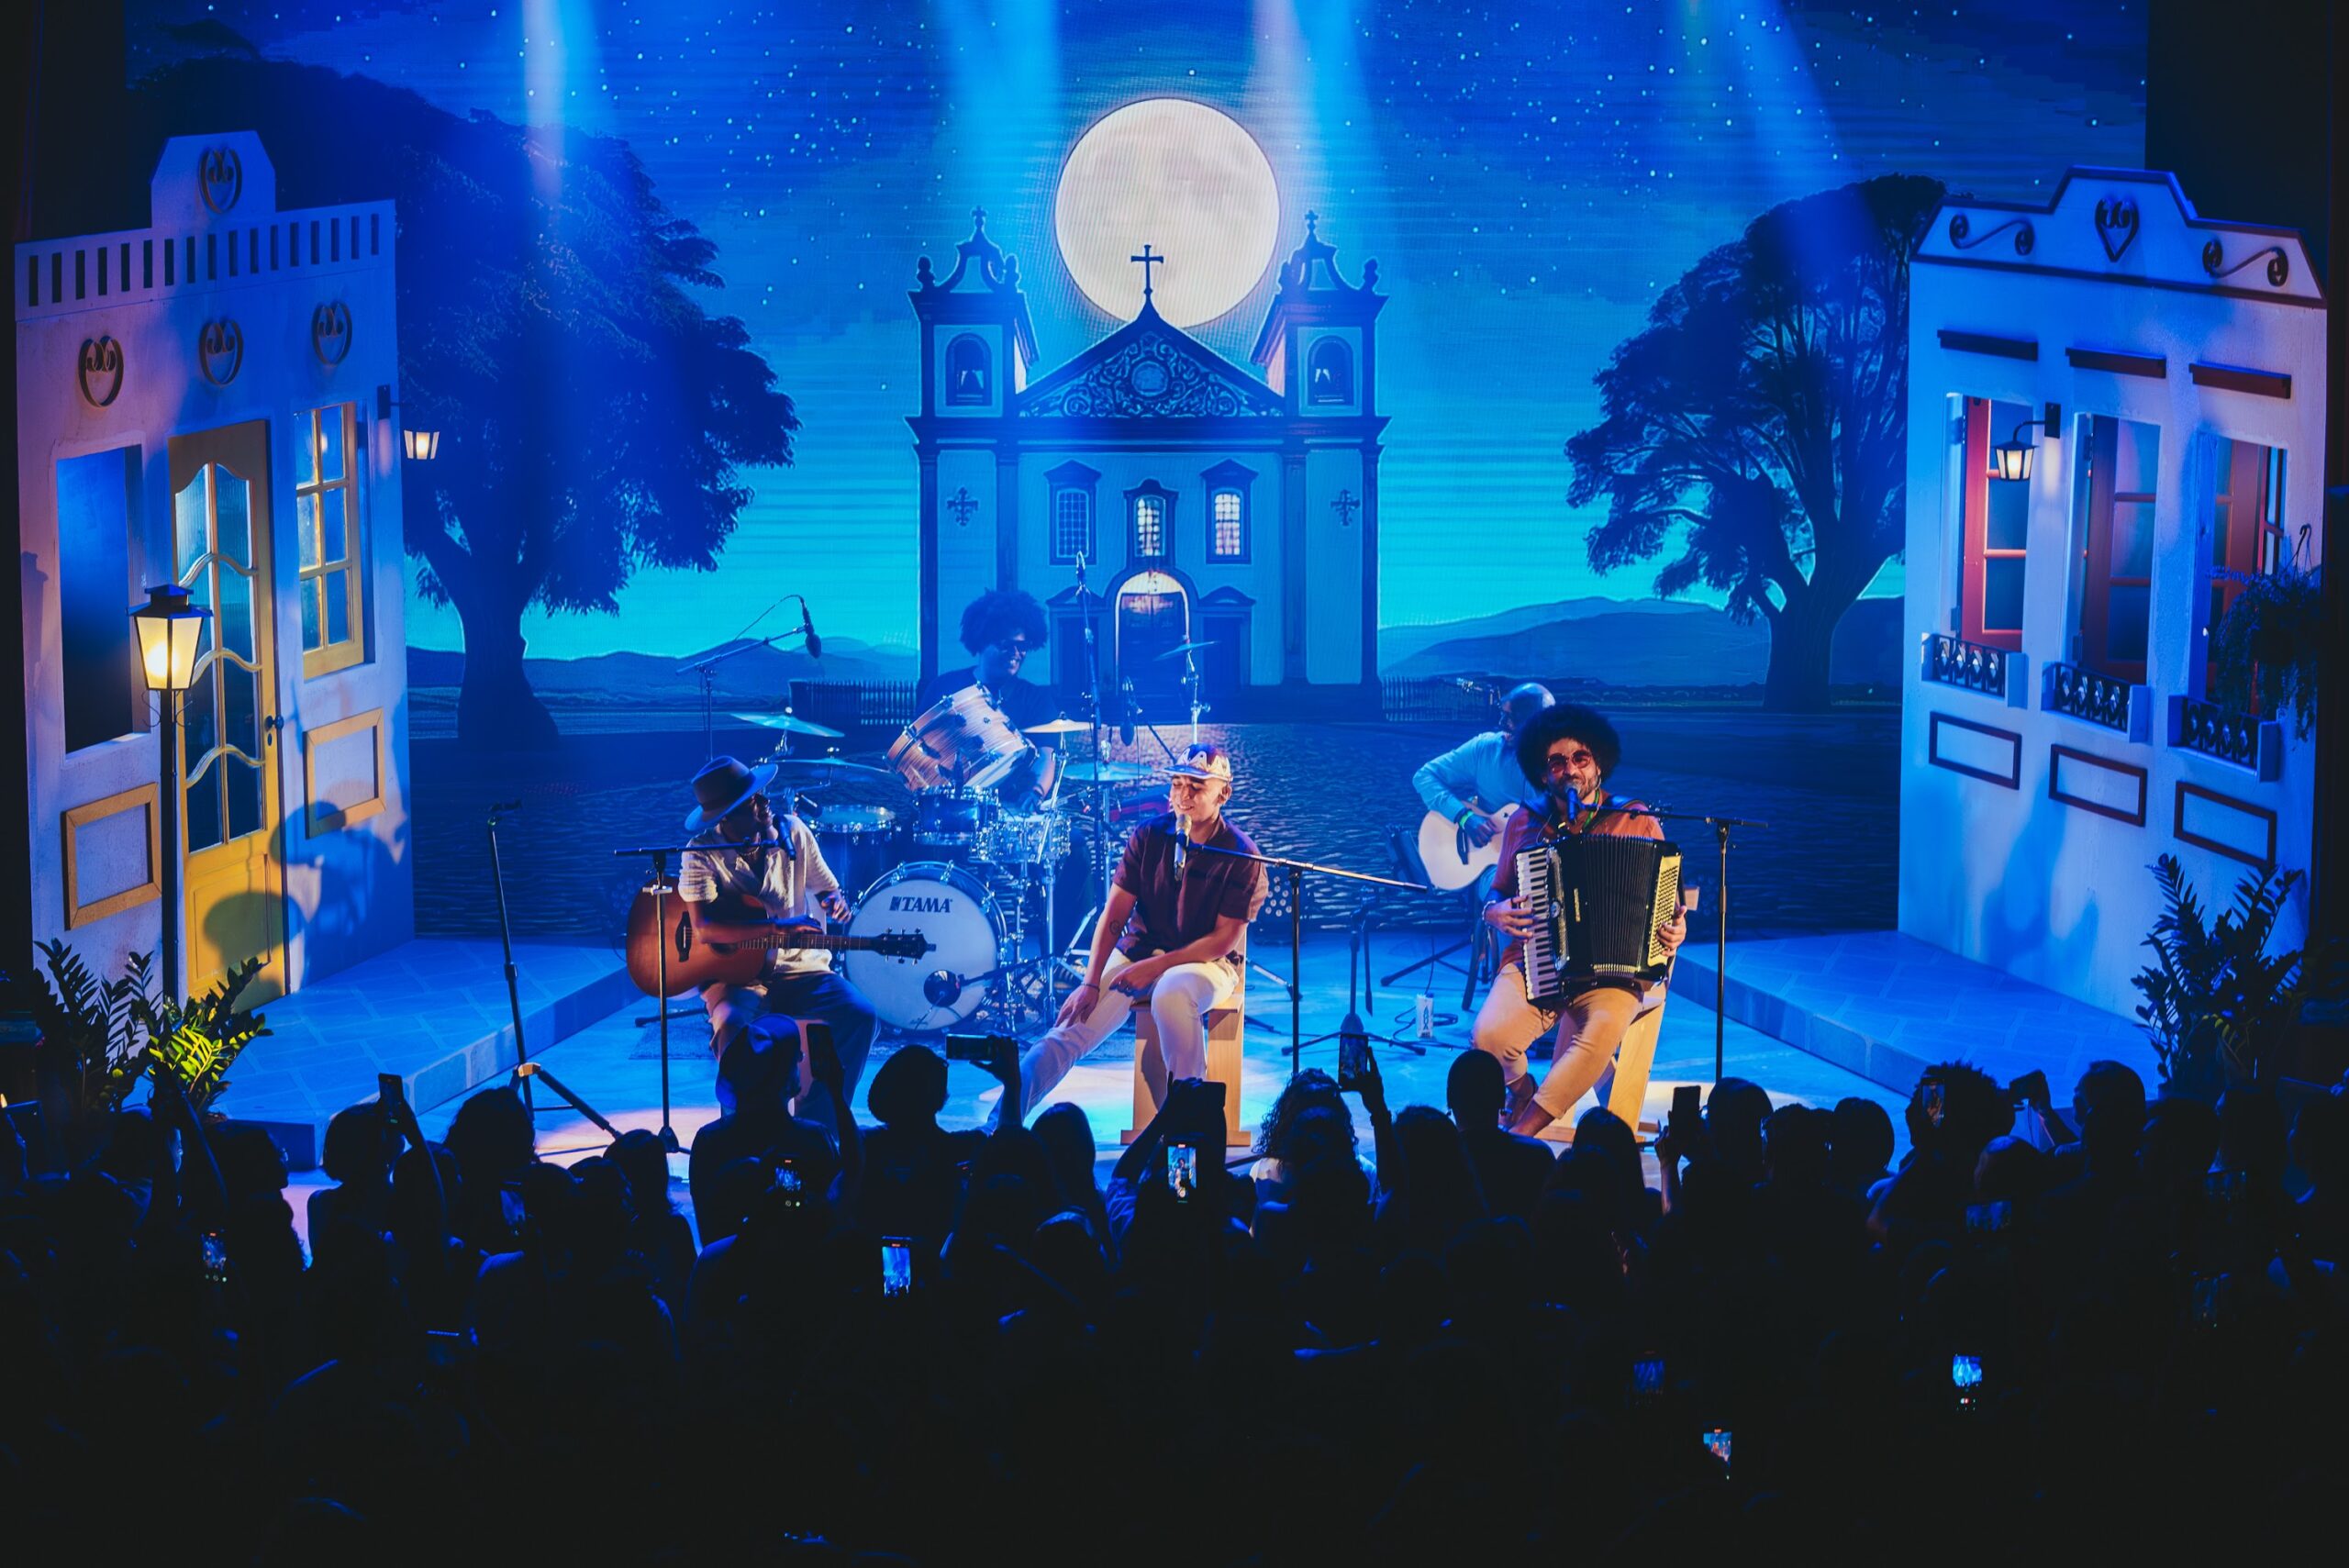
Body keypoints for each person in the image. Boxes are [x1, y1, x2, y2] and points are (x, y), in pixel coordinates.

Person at [998, 741, 1266, 1127]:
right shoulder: (1149, 836)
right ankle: (998, 1124)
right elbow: (1113, 914)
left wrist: (1158, 967)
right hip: (1140, 953)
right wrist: (1090, 982)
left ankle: (1191, 1130)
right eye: (1177, 784)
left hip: (1208, 963)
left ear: (1223, 794)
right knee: (1068, 1030)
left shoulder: (1241, 853)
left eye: (1196, 787)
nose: (1184, 796)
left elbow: (1223, 940)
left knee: (1171, 992)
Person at [1475, 703, 1687, 1136]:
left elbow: (1672, 906)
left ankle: (1523, 1133)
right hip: (1536, 960)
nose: (1570, 769)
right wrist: (1493, 911)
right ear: (1542, 772)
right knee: (1488, 1038)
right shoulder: (1525, 822)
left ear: (1598, 763)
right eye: (1557, 762)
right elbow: (1498, 889)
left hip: (1616, 973)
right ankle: (1522, 1091)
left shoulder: (1635, 820)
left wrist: (1677, 930)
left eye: (1580, 758)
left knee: (1601, 1032)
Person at [678, 753, 878, 1129]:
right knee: (732, 1028)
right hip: (738, 979)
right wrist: (777, 931)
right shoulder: (701, 853)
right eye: (751, 800)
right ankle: (743, 1132)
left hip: (802, 971)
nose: (764, 802)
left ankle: (817, 1127)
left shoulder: (794, 832)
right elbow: (704, 928)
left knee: (860, 1016)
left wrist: (834, 901)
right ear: (727, 817)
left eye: (760, 793)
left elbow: (826, 887)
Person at [917, 586, 1063, 798]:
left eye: (1023, 646)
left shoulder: (1037, 699)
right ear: (981, 641)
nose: (1016, 653)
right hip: (948, 805)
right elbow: (918, 749)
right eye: (1006, 645)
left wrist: (1036, 792)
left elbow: (1046, 756)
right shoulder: (943, 688)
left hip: (1014, 810)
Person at [1411, 682, 1553, 851]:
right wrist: (1464, 817)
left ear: (1538, 724)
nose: (1501, 723)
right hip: (1491, 857)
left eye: (1512, 718)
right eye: (1503, 714)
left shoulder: (1568, 761)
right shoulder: (1484, 749)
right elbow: (1425, 776)